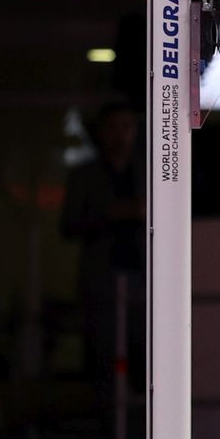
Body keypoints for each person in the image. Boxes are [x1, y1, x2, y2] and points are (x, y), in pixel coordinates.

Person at [61, 103, 144, 385]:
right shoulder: (84, 175)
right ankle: (105, 419)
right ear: (99, 132)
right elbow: (69, 226)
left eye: (126, 127)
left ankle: (140, 422)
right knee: (102, 354)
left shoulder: (150, 171)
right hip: (102, 277)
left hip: (144, 274)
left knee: (144, 349)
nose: (119, 135)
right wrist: (109, 215)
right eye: (112, 127)